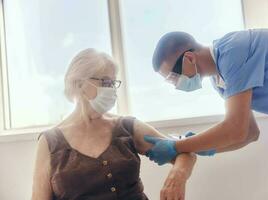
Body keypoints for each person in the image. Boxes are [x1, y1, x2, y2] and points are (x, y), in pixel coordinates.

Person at [31, 48, 196, 200]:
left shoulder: (127, 127)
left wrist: (177, 176)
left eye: (113, 83)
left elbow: (185, 153)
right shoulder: (50, 142)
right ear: (79, 83)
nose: (111, 89)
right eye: (105, 82)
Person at [144, 29, 268, 165]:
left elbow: (236, 129)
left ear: (190, 58)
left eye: (173, 77)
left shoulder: (234, 50)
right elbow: (249, 133)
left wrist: (176, 146)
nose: (175, 85)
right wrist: (201, 146)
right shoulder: (220, 82)